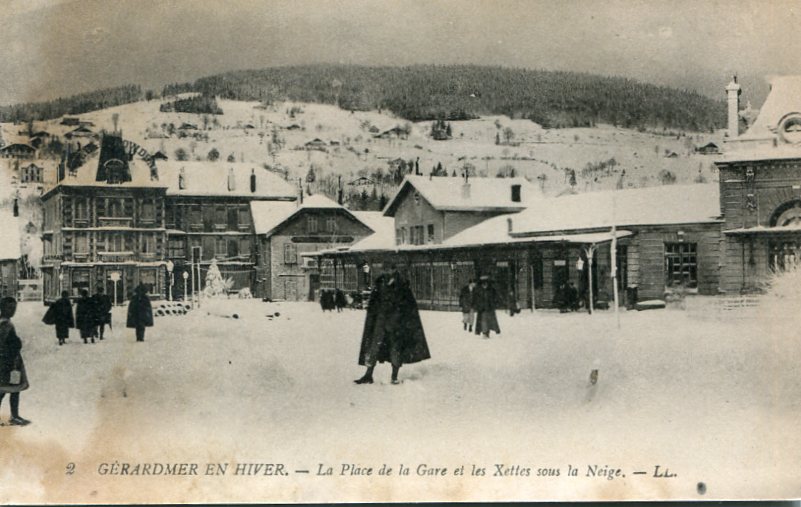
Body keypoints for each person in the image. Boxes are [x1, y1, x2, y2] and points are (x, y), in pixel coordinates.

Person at [355, 265, 430, 385]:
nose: (387, 271)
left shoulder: (402, 285)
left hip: (396, 323)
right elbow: (374, 301)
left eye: (390, 269)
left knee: (395, 349)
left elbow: (409, 305)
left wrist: (401, 317)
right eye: (385, 269)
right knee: (374, 347)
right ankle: (368, 374)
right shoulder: (380, 283)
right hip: (380, 321)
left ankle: (394, 376)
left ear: (395, 270)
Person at [0, 297, 30, 426]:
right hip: (9, 361)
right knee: (11, 388)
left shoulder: (5, 322)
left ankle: (15, 415)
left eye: (14, 308)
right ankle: (15, 416)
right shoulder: (5, 324)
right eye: (10, 308)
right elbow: (6, 343)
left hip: (9, 360)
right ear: (3, 308)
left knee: (6, 388)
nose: (13, 311)